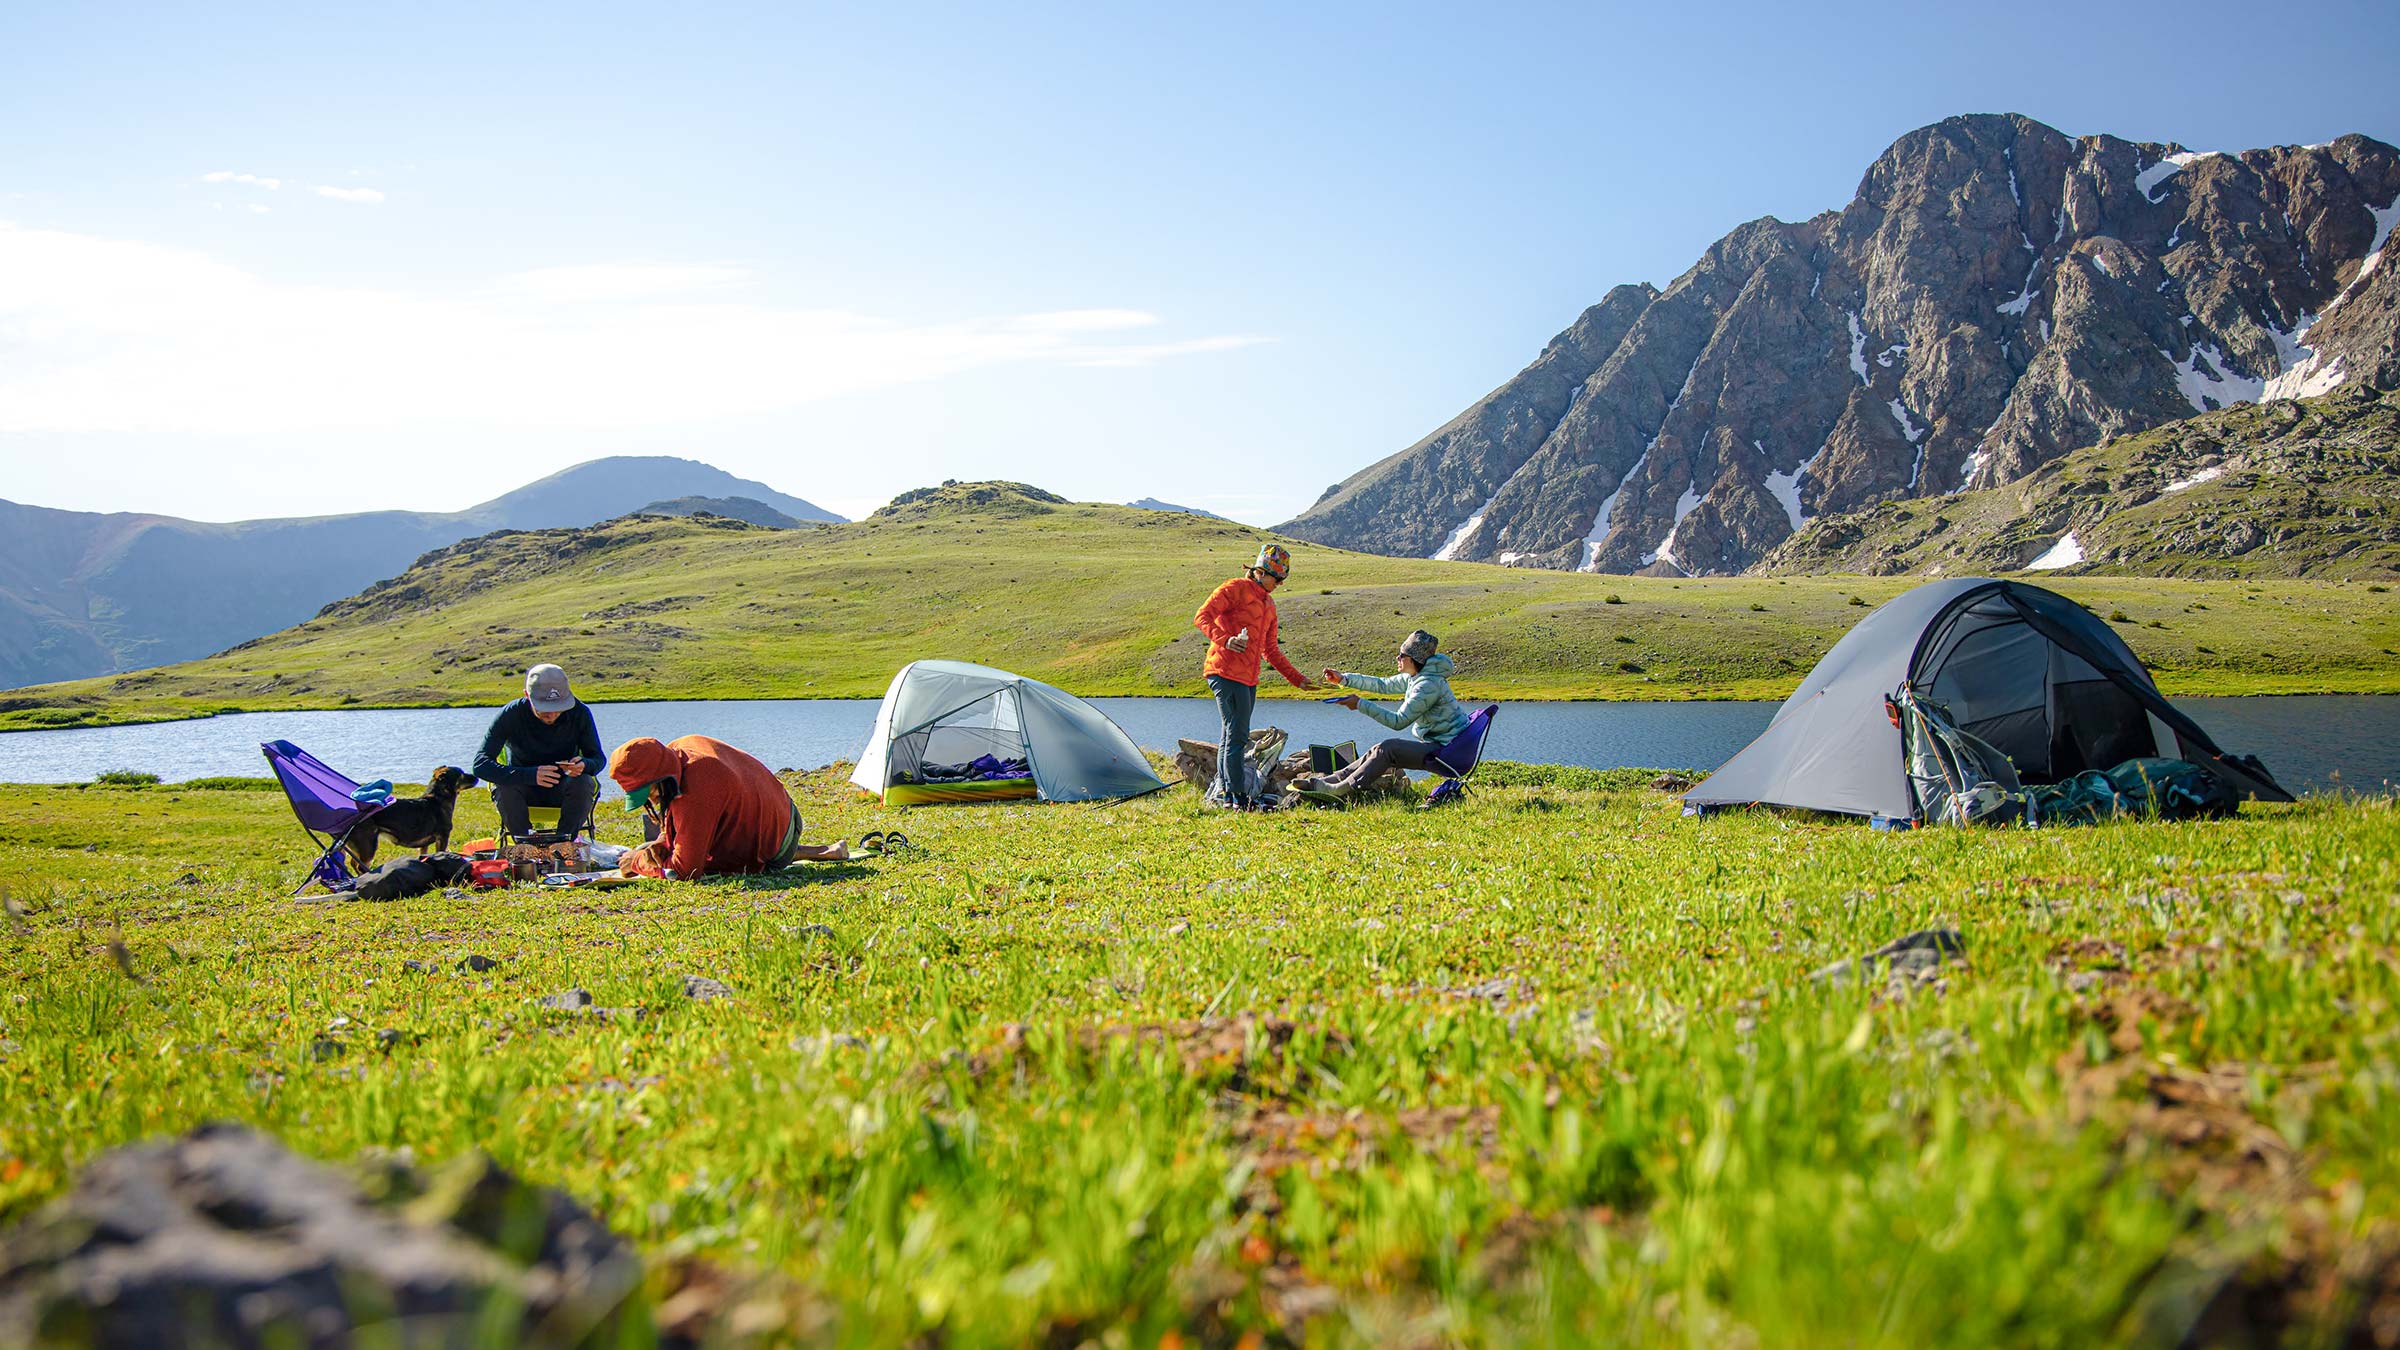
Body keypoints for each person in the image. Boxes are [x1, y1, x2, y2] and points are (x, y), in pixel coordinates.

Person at [608, 734, 849, 879]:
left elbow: (685, 871)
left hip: (781, 838)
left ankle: (783, 853)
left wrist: (637, 862)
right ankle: (822, 851)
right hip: (783, 812)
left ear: (662, 777)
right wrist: (663, 841)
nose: (652, 801)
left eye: (650, 791)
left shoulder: (696, 789)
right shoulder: (679, 750)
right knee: (673, 847)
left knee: (701, 859)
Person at [1192, 543, 1316, 808]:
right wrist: (1225, 640)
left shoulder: (1269, 605)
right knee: (1237, 735)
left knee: (1231, 735)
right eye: (1278, 578)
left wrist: (1297, 679)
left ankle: (1227, 794)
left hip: (1248, 679)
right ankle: (1236, 797)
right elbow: (1202, 616)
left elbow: (1270, 650)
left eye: (1283, 579)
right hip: (1224, 671)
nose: (1280, 584)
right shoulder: (1234, 588)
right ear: (1261, 571)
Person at [1295, 629, 1468, 801]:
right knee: (1377, 749)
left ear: (1414, 659)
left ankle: (1339, 790)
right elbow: (1382, 684)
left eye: (1401, 655)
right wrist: (1343, 679)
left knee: (1388, 749)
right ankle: (1330, 781)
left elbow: (1398, 722)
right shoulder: (1417, 676)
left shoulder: (1427, 686)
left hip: (1449, 751)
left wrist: (1360, 704)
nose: (1397, 658)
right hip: (1445, 745)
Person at [473, 663, 604, 838]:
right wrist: (529, 775)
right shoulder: (511, 714)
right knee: (504, 786)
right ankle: (524, 847)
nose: (552, 715)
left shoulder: (579, 713)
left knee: (584, 782)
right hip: (522, 790)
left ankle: (564, 844)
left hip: (565, 789)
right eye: (544, 709)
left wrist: (584, 765)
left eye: (558, 708)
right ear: (527, 696)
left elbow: (598, 759)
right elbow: (480, 764)